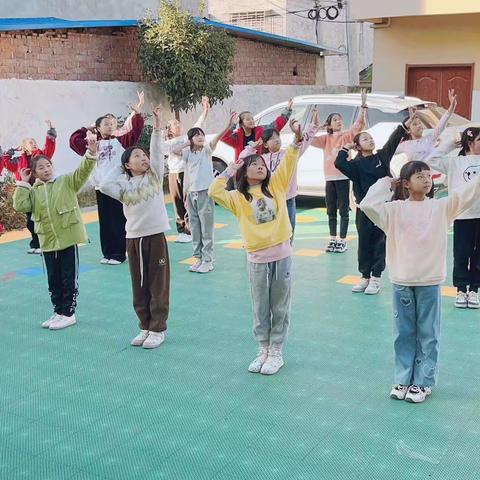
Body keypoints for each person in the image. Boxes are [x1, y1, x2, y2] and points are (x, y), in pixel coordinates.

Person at [359, 160, 480, 403]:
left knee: (428, 333)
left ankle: (423, 382)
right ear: (405, 183)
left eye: (428, 176)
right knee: (403, 333)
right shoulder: (393, 210)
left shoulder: (440, 207)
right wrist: (385, 183)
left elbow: (468, 193)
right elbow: (367, 205)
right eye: (419, 176)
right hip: (403, 280)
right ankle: (403, 378)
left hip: (429, 280)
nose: (426, 180)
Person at [209, 119, 304, 375]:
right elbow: (214, 191)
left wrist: (296, 139)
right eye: (254, 165)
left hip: (281, 256)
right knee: (260, 307)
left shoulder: (277, 186)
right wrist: (235, 164)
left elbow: (291, 159)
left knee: (280, 305)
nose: (260, 167)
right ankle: (262, 348)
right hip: (257, 260)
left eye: (262, 165)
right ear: (245, 171)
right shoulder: (239, 198)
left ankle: (276, 351)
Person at [99, 105, 170, 349]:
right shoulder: (123, 187)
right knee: (139, 285)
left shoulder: (154, 176)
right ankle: (144, 326)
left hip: (155, 237)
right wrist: (121, 165)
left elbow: (157, 152)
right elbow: (105, 185)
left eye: (143, 155)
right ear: (127, 165)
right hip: (134, 238)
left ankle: (158, 329)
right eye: (137, 156)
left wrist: (158, 128)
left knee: (157, 284)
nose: (144, 158)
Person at [13, 131, 98, 330]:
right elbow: (20, 205)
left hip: (67, 238)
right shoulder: (33, 191)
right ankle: (58, 311)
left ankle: (68, 313)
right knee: (53, 278)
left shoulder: (66, 182)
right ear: (34, 173)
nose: (46, 169)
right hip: (47, 240)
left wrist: (91, 153)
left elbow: (83, 172)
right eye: (40, 168)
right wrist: (24, 183)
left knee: (68, 276)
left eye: (48, 165)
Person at [335, 112, 415, 295]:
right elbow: (339, 163)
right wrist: (345, 148)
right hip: (364, 209)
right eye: (365, 139)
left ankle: (376, 278)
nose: (370, 140)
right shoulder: (355, 165)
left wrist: (406, 123)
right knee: (364, 242)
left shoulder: (381, 157)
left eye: (370, 138)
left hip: (383, 208)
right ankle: (364, 277)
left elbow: (394, 139)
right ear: (357, 145)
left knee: (380, 242)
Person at [69, 94, 145, 265]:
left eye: (112, 124)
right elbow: (73, 141)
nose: (110, 126)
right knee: (105, 221)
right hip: (99, 187)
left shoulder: (121, 141)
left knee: (118, 220)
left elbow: (136, 131)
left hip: (117, 186)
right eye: (106, 124)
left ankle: (119, 254)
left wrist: (138, 114)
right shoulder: (93, 143)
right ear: (97, 127)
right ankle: (108, 253)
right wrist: (86, 129)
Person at [174, 113, 236, 273]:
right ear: (190, 139)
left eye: (201, 134)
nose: (200, 137)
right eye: (196, 135)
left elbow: (216, 138)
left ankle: (208, 260)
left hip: (205, 194)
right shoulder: (188, 153)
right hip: (191, 194)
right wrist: (188, 142)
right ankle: (199, 258)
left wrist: (228, 125)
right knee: (194, 227)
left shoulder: (206, 151)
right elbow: (174, 151)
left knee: (206, 228)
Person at [425, 127, 480, 309]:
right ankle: (461, 289)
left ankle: (474, 290)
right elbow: (431, 159)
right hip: (462, 214)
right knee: (462, 253)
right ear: (470, 143)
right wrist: (448, 144)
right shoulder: (455, 162)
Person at [311, 91, 368, 253]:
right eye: (335, 120)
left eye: (340, 120)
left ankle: (342, 240)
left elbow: (358, 126)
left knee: (343, 209)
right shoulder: (325, 139)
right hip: (329, 179)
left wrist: (363, 107)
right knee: (330, 210)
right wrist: (315, 121)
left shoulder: (346, 136)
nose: (339, 122)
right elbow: (309, 138)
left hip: (343, 177)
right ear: (328, 125)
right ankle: (332, 239)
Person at [261, 109, 320, 236]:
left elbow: (302, 141)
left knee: (289, 231)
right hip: (269, 199)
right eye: (272, 138)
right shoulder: (262, 159)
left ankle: (285, 254)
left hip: (288, 199)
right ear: (265, 144)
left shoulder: (289, 154)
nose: (277, 140)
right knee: (268, 230)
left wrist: (312, 124)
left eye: (278, 137)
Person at [2, 120, 57, 254]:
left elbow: (50, 146)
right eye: (30, 142)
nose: (34, 144)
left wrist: (51, 131)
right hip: (27, 190)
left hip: (40, 189)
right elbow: (7, 164)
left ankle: (45, 243)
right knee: (30, 220)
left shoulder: (41, 155)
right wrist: (10, 151)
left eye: (34, 142)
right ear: (24, 147)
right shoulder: (19, 160)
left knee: (42, 217)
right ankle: (36, 243)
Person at [164, 96, 210, 243]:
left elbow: (199, 123)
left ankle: (190, 230)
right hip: (173, 173)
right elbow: (162, 148)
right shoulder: (167, 142)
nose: (178, 125)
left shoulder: (187, 137)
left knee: (187, 201)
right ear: (169, 130)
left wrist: (205, 109)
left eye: (179, 123)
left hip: (186, 172)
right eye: (174, 124)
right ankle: (181, 230)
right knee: (177, 201)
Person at [221, 99, 293, 160]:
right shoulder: (237, 137)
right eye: (248, 119)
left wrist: (288, 110)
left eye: (252, 118)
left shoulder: (261, 130)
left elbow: (277, 124)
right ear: (241, 123)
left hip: (260, 168)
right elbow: (223, 137)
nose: (252, 121)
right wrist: (233, 124)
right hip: (243, 170)